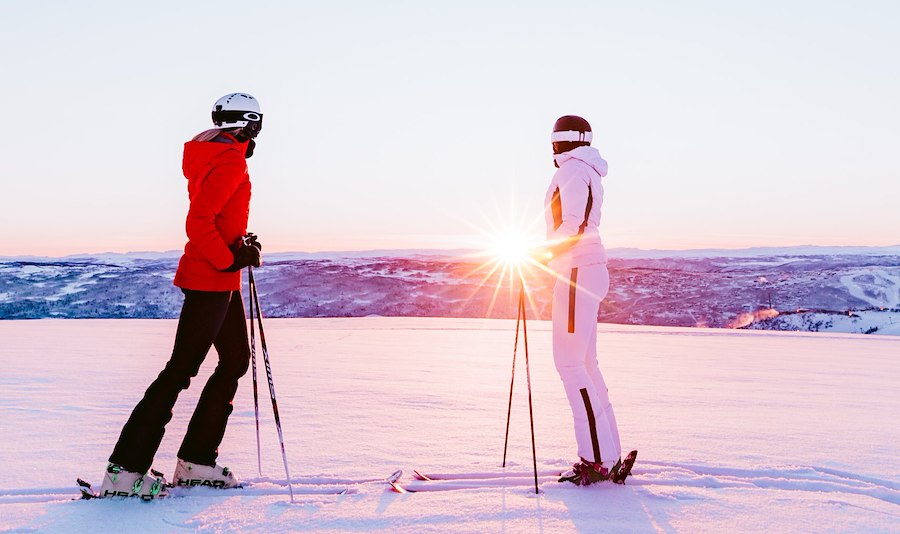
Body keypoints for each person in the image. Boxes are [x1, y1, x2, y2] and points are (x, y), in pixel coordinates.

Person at [98, 93, 264, 498]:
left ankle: (196, 462)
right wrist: (229, 259)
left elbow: (216, 217)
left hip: (218, 278)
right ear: (249, 123)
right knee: (180, 370)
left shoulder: (215, 154)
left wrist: (238, 244)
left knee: (235, 360)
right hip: (211, 278)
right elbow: (199, 220)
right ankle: (126, 470)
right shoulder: (227, 159)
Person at [541, 115, 623, 486]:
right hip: (586, 268)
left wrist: (541, 254)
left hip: (576, 272)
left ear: (560, 141)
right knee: (585, 364)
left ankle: (596, 459)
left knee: (571, 365)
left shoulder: (573, 170)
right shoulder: (586, 168)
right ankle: (608, 453)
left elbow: (571, 223)